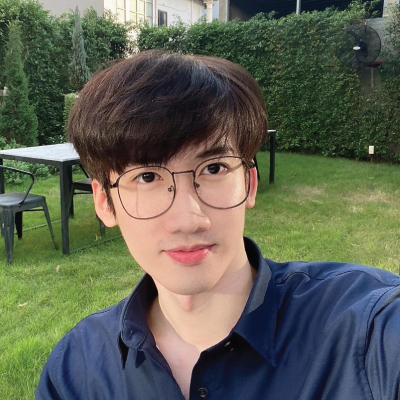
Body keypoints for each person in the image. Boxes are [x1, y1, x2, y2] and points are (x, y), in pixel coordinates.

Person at [36, 50, 400, 400]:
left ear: (249, 184)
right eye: (146, 177)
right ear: (105, 202)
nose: (188, 219)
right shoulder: (77, 371)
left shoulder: (369, 330)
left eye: (213, 169)